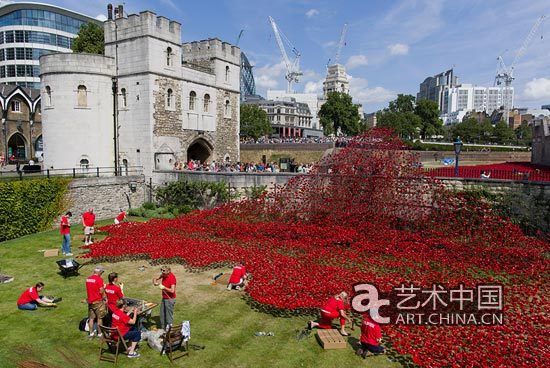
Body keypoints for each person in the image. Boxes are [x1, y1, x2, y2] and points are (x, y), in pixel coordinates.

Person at [152, 265, 176, 329]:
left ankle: (169, 330)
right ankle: (163, 329)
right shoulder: (163, 275)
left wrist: (164, 287)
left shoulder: (172, 278)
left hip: (170, 299)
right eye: (161, 270)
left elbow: (172, 290)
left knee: (168, 316)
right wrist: (155, 282)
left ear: (168, 271)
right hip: (164, 298)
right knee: (162, 314)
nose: (162, 272)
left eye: (163, 270)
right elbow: (155, 278)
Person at [86, 266, 107, 338]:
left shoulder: (88, 279)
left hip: (90, 301)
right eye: (102, 272)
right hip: (98, 301)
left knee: (91, 318)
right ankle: (100, 333)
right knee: (99, 318)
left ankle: (91, 333)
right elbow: (101, 290)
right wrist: (105, 297)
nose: (102, 273)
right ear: (99, 272)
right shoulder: (99, 279)